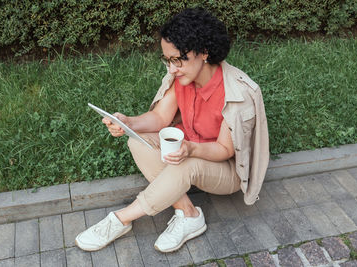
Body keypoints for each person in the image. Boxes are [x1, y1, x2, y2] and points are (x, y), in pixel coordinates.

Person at [75, 7, 269, 253]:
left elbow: (224, 149)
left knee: (187, 163)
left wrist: (190, 149)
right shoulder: (183, 78)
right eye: (167, 60)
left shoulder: (236, 93)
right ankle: (188, 213)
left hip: (227, 170)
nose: (171, 68)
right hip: (189, 151)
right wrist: (128, 123)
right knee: (138, 142)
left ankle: (121, 219)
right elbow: (159, 117)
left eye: (177, 60)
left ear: (204, 53)